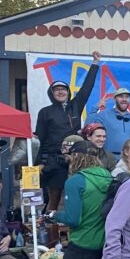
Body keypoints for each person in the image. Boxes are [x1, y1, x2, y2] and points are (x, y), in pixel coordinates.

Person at [35, 50, 101, 209]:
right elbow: (39, 139)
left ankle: (73, 227)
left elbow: (87, 87)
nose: (60, 91)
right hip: (54, 160)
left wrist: (95, 64)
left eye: (63, 89)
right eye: (56, 89)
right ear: (52, 93)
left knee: (76, 196)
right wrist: (40, 162)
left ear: (68, 92)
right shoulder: (45, 112)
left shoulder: (76, 106)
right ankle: (51, 230)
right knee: (54, 198)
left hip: (76, 159)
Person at [87, 86, 130, 155]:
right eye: (121, 96)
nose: (124, 99)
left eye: (127, 97)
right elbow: (88, 127)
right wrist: (96, 107)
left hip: (129, 158)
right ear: (114, 99)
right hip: (108, 158)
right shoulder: (103, 115)